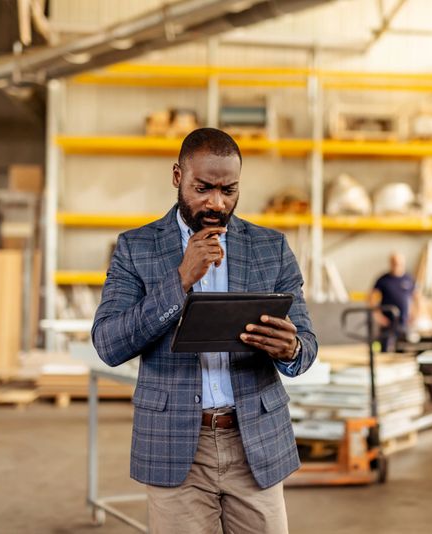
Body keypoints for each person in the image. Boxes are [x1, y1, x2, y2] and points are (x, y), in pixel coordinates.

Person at [91, 128, 317, 534]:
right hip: (176, 443)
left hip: (255, 444)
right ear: (178, 176)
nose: (216, 202)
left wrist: (292, 348)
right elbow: (108, 343)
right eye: (203, 188)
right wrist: (179, 280)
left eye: (228, 190)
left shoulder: (271, 248)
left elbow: (307, 346)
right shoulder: (136, 248)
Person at [371, 252, 421, 352]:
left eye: (399, 263)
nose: (397, 265)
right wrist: (378, 316)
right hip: (387, 322)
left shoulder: (409, 279)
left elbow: (418, 298)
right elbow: (371, 299)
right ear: (390, 263)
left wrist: (416, 314)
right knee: (384, 349)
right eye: (394, 262)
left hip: (404, 322)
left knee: (403, 350)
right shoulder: (383, 279)